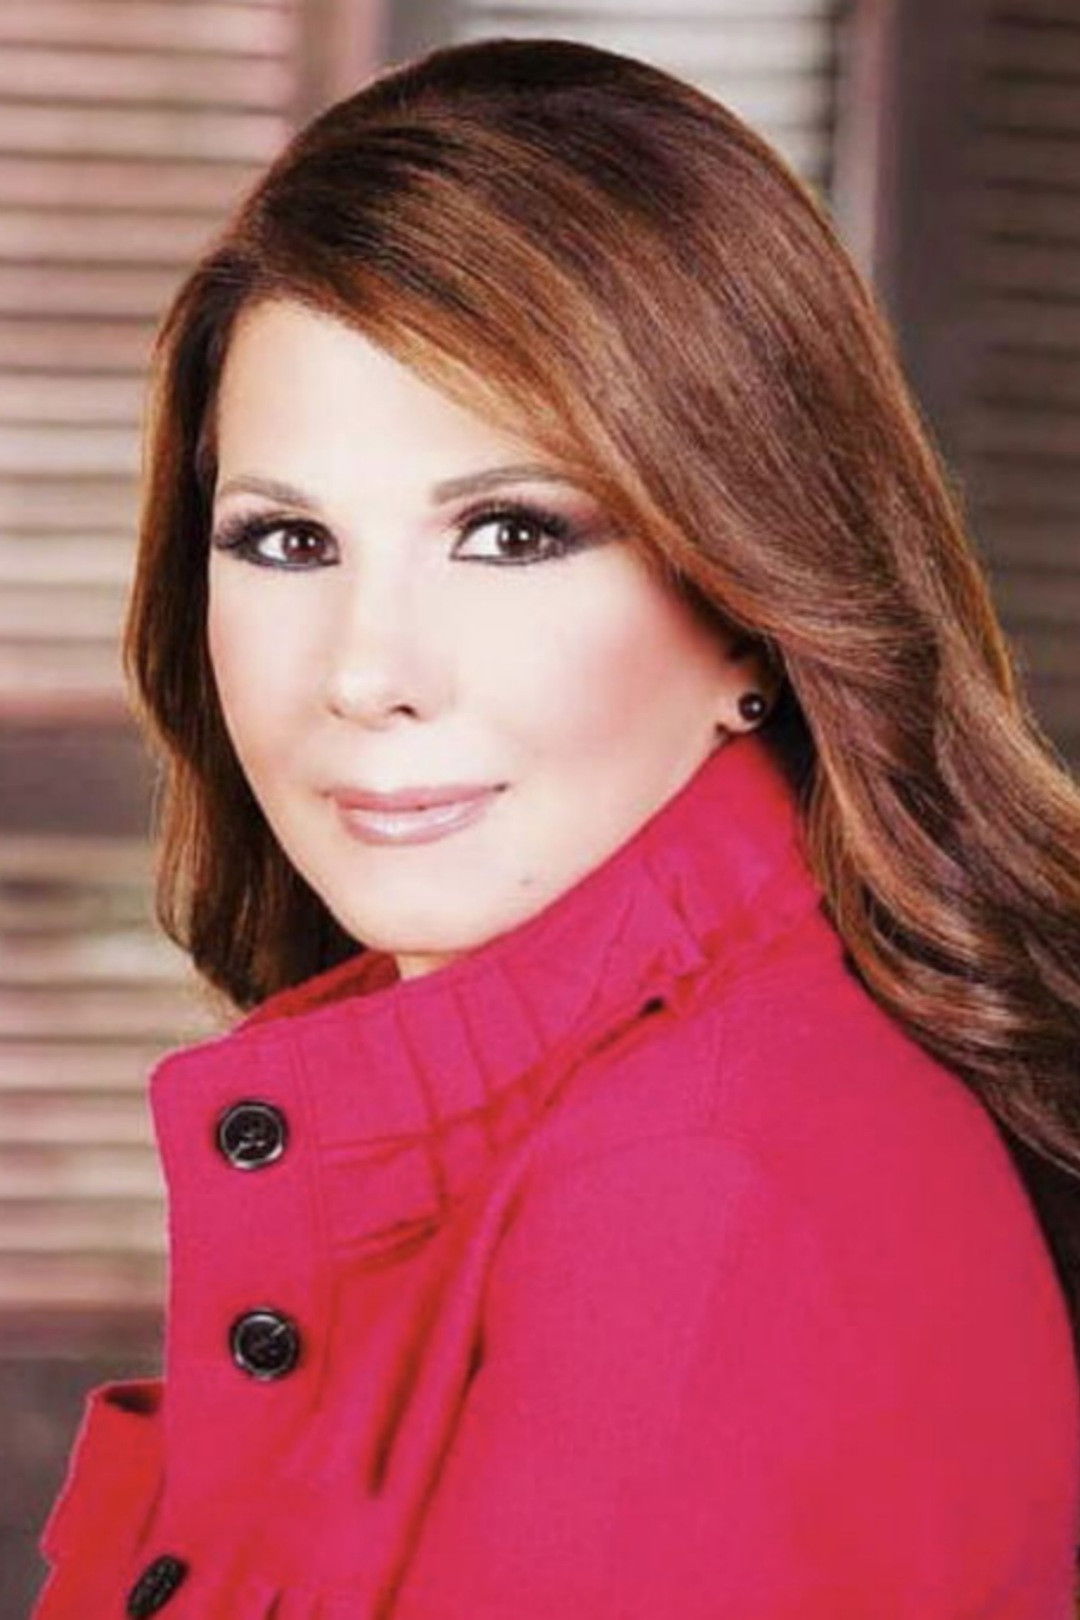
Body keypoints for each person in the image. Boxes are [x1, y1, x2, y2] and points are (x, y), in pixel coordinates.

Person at [32, 34, 1080, 1620]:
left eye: (511, 533)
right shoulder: (574, 1102)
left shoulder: (701, 1196)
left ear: (748, 595)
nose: (365, 672)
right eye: (287, 539)